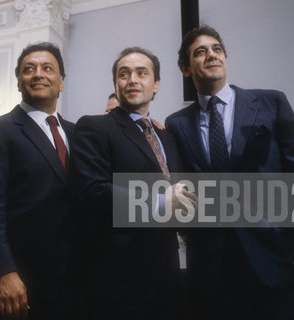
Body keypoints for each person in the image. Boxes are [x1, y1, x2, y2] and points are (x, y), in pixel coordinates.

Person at [165, 25, 294, 320]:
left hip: (273, 253)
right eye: (200, 52)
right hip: (212, 264)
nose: (211, 55)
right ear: (185, 68)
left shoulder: (270, 103)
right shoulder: (176, 124)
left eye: (216, 49)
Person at [71, 47, 197, 320]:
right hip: (118, 279)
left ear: (156, 85)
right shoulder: (94, 127)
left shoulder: (165, 136)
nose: (132, 80)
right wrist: (161, 201)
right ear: (116, 84)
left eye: (142, 73)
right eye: (124, 74)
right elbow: (91, 192)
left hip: (167, 274)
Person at [0, 42, 74, 320]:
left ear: (61, 82)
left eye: (47, 68)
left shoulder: (79, 134)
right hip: (20, 282)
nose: (38, 74)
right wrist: (2, 271)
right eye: (29, 69)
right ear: (19, 82)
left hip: (76, 281)